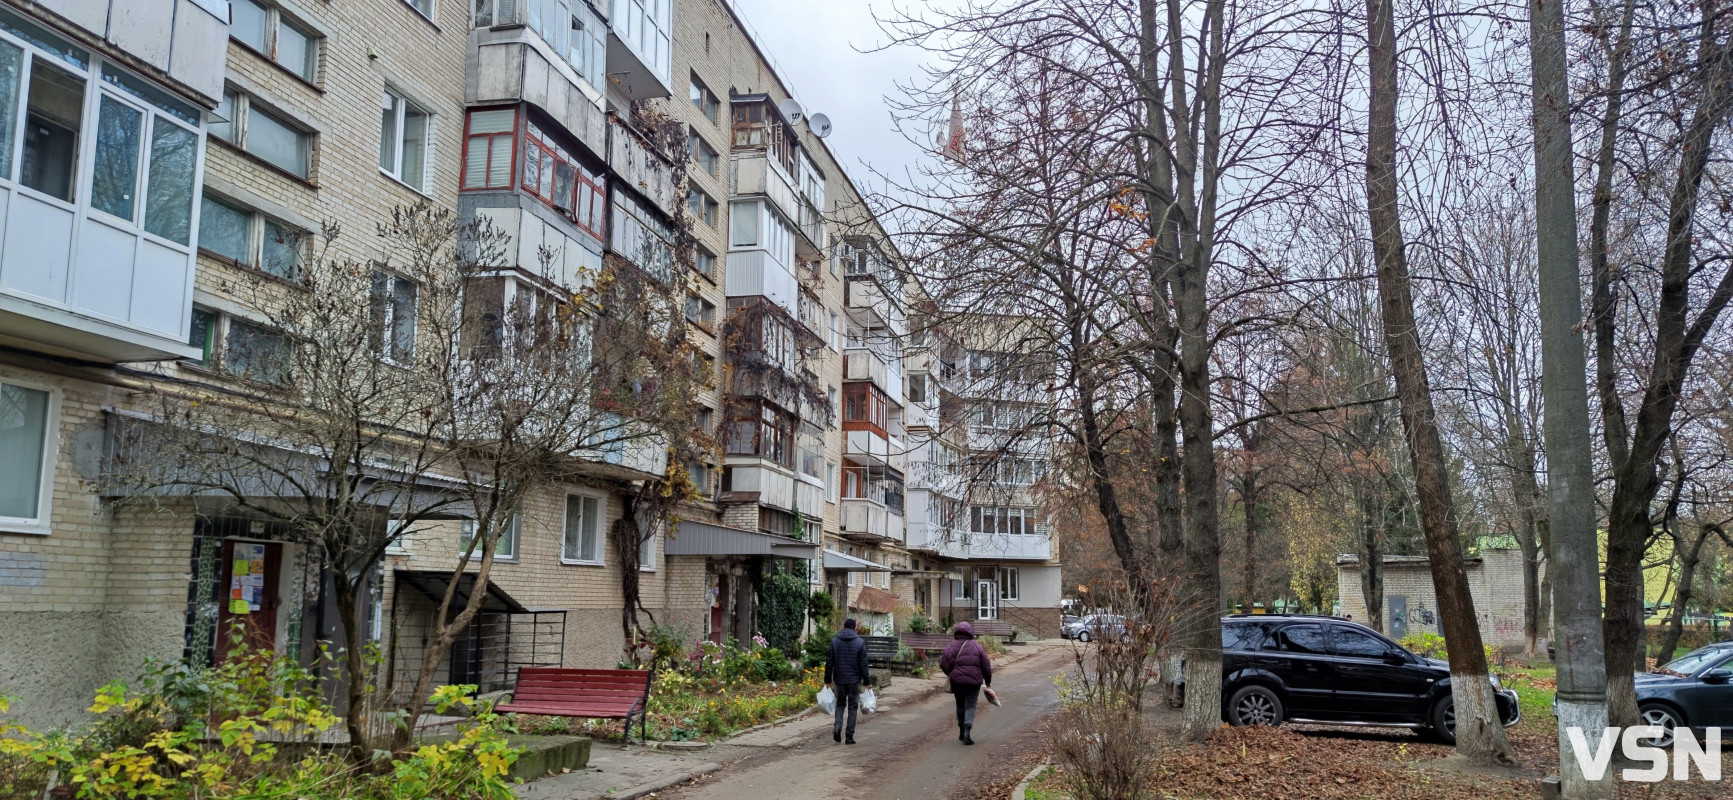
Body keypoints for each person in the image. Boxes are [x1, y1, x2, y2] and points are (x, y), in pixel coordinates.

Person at [940, 620, 992, 745]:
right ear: (970, 632)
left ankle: (961, 731)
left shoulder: (950, 646)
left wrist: (951, 674)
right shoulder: (977, 646)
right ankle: (967, 732)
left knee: (960, 705)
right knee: (970, 705)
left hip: (957, 682)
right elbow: (986, 665)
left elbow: (943, 663)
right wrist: (988, 681)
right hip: (974, 682)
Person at [824, 618, 870, 744]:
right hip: (854, 680)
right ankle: (849, 736)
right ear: (854, 628)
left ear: (843, 627)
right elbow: (864, 665)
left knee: (840, 705)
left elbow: (829, 663)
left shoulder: (834, 641)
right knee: (853, 707)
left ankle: (837, 727)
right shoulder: (860, 643)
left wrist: (827, 680)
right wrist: (867, 682)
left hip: (839, 679)